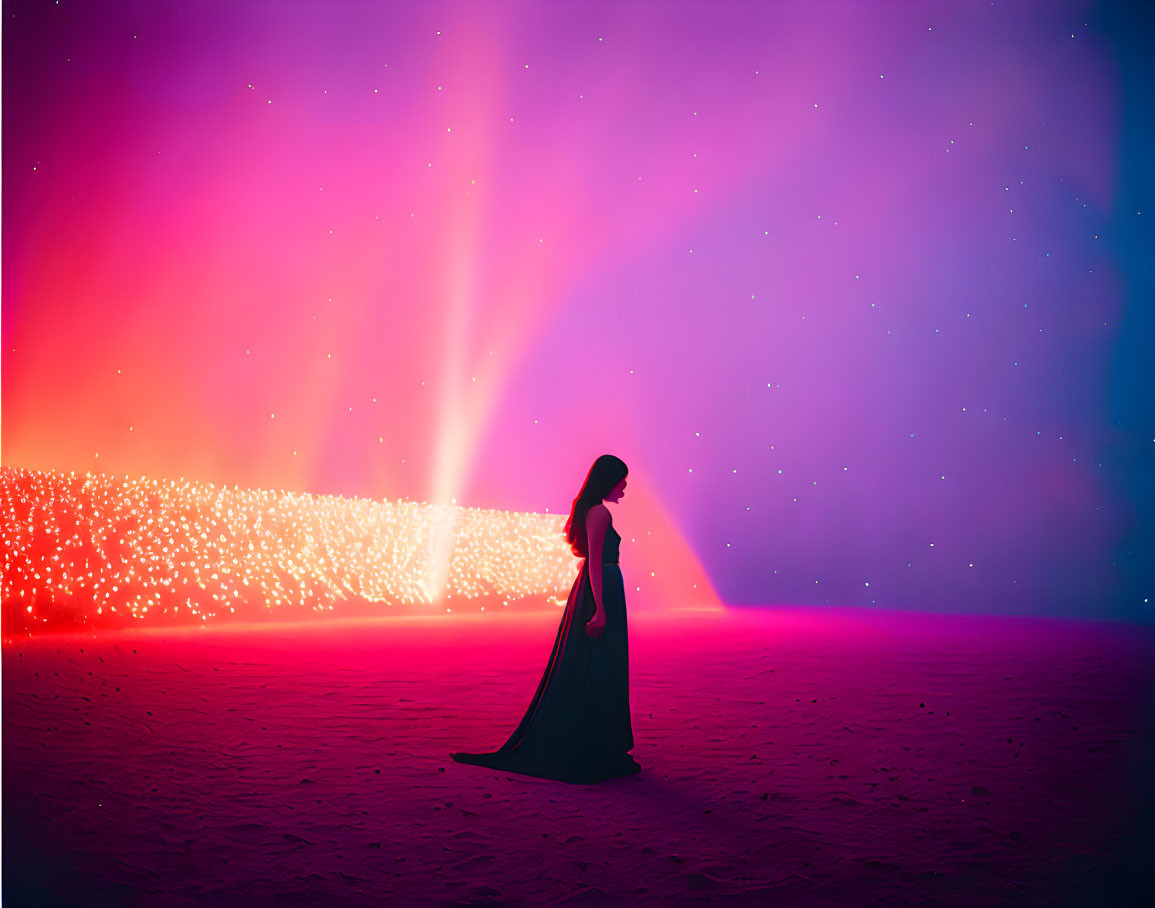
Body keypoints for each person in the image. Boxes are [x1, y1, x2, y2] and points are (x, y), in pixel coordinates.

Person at [449, 454, 642, 784]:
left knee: (598, 667)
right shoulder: (599, 513)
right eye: (621, 480)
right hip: (602, 591)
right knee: (598, 668)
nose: (624, 487)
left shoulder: (594, 511)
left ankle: (598, 743)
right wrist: (600, 608)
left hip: (600, 590)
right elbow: (594, 562)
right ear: (608, 480)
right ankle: (593, 747)